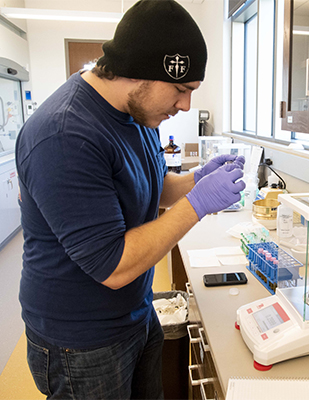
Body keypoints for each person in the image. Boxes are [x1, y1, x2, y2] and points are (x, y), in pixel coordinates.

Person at [15, 0, 246, 399]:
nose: (186, 104)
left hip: (135, 313)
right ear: (141, 70)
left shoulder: (137, 114)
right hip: (81, 341)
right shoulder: (66, 134)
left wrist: (195, 180)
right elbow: (113, 265)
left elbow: (146, 185)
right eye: (180, 89)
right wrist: (197, 205)